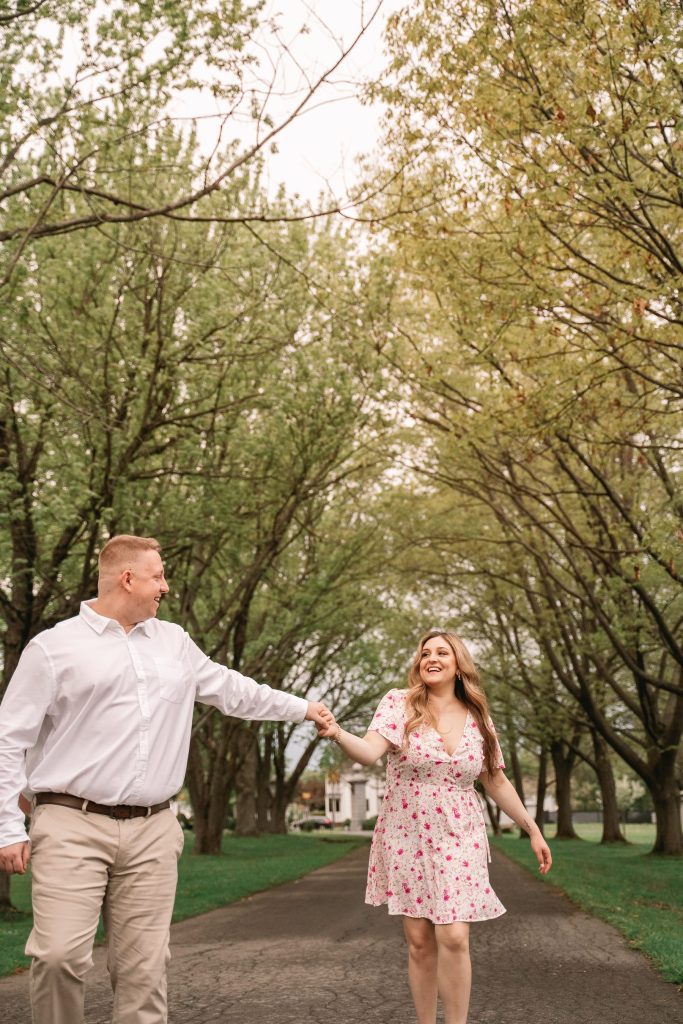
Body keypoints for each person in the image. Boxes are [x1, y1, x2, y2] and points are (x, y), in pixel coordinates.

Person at [0, 534, 330, 1024]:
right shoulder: (52, 648)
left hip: (154, 829)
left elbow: (232, 690)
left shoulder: (174, 642)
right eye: (157, 576)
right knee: (57, 957)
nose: (165, 587)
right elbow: (10, 738)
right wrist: (7, 827)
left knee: (145, 969)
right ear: (127, 578)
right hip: (72, 822)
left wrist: (301, 708)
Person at [317, 629, 552, 1024]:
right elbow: (369, 753)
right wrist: (338, 733)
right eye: (426, 652)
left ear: (459, 664)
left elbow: (494, 779)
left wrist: (533, 829)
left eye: (442, 652)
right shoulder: (399, 703)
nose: (432, 658)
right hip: (405, 832)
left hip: (460, 834)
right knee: (420, 942)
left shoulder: (479, 717)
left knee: (454, 936)